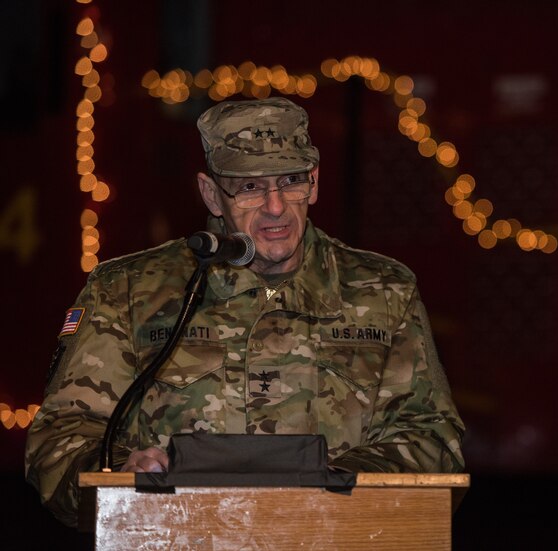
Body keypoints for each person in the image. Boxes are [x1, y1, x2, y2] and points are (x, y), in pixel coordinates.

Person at [25, 97, 465, 527]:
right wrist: (124, 471)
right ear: (212, 195)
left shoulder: (384, 291)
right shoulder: (127, 290)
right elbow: (59, 439)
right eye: (250, 187)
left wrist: (334, 488)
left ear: (315, 181)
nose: (275, 208)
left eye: (291, 181)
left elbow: (432, 438)